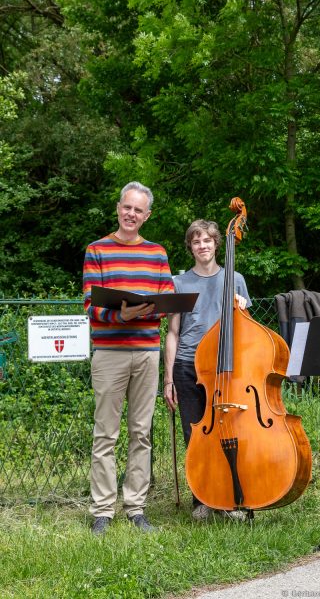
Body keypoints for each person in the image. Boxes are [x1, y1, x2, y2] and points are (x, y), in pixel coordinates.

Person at [83, 181, 174, 535]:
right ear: (118, 208)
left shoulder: (157, 253)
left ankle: (136, 507)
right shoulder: (97, 249)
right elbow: (90, 304)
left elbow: (167, 298)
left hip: (147, 351)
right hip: (109, 352)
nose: (131, 214)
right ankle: (102, 511)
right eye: (127, 207)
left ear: (147, 215)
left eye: (138, 210)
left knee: (141, 432)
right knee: (105, 434)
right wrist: (119, 315)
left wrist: (150, 310)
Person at [163, 219, 251, 521]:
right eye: (196, 241)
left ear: (216, 244)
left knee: (231, 433)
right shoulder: (179, 283)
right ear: (191, 247)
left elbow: (247, 329)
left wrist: (241, 308)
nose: (202, 246)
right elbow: (172, 332)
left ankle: (230, 498)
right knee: (195, 435)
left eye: (207, 240)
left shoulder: (235, 279)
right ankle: (201, 499)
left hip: (224, 368)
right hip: (188, 365)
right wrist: (168, 378)